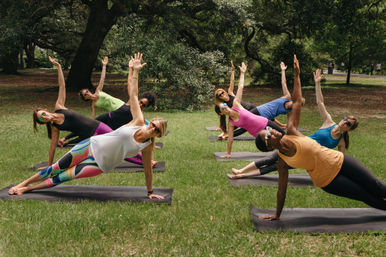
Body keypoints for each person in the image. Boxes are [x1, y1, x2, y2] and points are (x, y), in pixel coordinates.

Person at [9, 53, 167, 199]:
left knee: (61, 178)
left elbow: (147, 171)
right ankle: (22, 184)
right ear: (150, 121)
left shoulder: (147, 147)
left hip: (99, 164)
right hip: (90, 145)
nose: (152, 128)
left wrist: (150, 192)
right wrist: (134, 71)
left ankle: (26, 190)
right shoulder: (138, 121)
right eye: (153, 124)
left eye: (157, 130)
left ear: (159, 135)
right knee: (54, 169)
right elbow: (133, 93)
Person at [254, 55, 385, 220]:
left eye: (268, 129)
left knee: (378, 187)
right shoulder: (282, 162)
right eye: (268, 134)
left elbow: (295, 102)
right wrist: (277, 215)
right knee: (366, 196)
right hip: (327, 180)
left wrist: (296, 75)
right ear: (269, 146)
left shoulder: (292, 131)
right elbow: (282, 189)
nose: (271, 131)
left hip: (340, 161)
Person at [230, 68, 358, 179]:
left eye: (348, 124)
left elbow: (339, 160)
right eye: (345, 119)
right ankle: (241, 171)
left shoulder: (341, 142)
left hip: (306, 158)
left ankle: (243, 175)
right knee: (270, 159)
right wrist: (317, 84)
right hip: (296, 144)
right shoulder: (329, 122)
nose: (344, 122)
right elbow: (320, 103)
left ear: (349, 129)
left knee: (275, 167)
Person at [33, 56, 113, 169]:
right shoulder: (55, 127)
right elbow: (52, 147)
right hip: (88, 138)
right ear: (42, 122)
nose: (44, 117)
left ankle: (143, 157)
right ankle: (144, 161)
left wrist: (58, 66)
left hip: (97, 126)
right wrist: (49, 166)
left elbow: (62, 85)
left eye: (43, 114)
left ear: (46, 110)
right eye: (41, 119)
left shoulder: (59, 106)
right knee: (113, 150)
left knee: (119, 141)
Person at [215, 61, 304, 139]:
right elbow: (283, 83)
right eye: (295, 102)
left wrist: (288, 126)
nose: (293, 104)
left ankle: (228, 134)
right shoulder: (287, 96)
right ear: (294, 99)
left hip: (266, 117)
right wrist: (283, 70)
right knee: (244, 125)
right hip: (260, 110)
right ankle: (228, 134)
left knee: (268, 132)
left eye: (297, 105)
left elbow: (290, 123)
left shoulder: (290, 111)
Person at [215, 62, 285, 158]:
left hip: (265, 123)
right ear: (221, 113)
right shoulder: (231, 123)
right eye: (223, 108)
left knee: (284, 136)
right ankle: (287, 153)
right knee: (275, 143)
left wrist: (242, 73)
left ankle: (294, 149)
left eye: (225, 105)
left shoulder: (236, 105)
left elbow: (240, 87)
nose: (225, 107)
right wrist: (228, 153)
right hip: (259, 134)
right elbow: (230, 138)